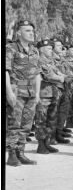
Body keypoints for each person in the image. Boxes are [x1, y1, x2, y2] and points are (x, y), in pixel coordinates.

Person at [5, 20, 42, 166]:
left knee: (26, 125)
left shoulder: (34, 50)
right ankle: (12, 154)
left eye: (32, 31)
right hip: (16, 90)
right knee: (14, 123)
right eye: (27, 30)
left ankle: (21, 152)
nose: (31, 33)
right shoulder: (10, 48)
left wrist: (38, 93)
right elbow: (5, 71)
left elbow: (38, 74)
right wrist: (8, 93)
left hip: (31, 92)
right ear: (18, 32)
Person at [35, 39, 66, 155]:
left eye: (51, 48)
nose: (51, 50)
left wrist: (60, 76)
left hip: (52, 94)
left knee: (51, 120)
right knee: (41, 121)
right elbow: (49, 76)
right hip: (43, 95)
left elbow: (59, 72)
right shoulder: (39, 60)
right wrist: (59, 78)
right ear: (41, 49)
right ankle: (41, 145)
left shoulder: (50, 61)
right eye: (48, 48)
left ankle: (47, 142)